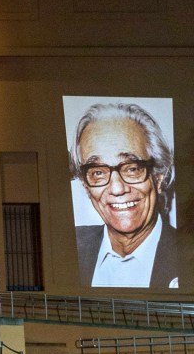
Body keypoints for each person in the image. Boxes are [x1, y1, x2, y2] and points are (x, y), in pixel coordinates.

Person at [69, 101, 178, 289]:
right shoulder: (70, 245)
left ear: (159, 177)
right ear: (86, 186)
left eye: (132, 169)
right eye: (98, 172)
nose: (117, 189)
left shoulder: (186, 252)